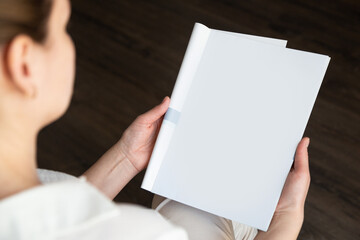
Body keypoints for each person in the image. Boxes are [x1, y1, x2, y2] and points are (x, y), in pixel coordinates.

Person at [0, 0, 311, 239]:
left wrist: (125, 158)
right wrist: (285, 218)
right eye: (63, 28)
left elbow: (51, 218)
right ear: (24, 64)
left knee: (188, 203)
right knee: (201, 208)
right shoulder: (137, 232)